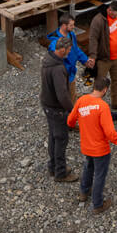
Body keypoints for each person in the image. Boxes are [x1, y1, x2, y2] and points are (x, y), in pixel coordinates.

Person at [67, 76, 117, 213]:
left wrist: (80, 126)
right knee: (99, 175)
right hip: (100, 149)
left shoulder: (81, 101)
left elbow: (70, 120)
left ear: (94, 87)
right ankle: (97, 204)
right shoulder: (102, 107)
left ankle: (84, 192)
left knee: (88, 168)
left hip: (86, 146)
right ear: (105, 90)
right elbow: (110, 133)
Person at [39, 37, 77, 182]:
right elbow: (62, 95)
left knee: (53, 136)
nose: (69, 52)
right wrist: (72, 110)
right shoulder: (58, 69)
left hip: (47, 105)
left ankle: (52, 166)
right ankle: (61, 173)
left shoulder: (48, 59)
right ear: (62, 50)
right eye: (68, 50)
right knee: (61, 138)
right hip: (56, 109)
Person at [88, 2, 117, 112]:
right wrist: (93, 56)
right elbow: (93, 39)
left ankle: (116, 102)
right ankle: (95, 106)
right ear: (109, 10)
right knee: (99, 83)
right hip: (103, 60)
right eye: (115, 15)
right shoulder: (98, 20)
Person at [47, 15, 93, 101]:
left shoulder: (71, 35)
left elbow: (75, 49)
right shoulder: (55, 43)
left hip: (71, 71)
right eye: (71, 25)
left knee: (71, 91)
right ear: (64, 25)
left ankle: (72, 98)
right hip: (63, 74)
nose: (73, 27)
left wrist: (85, 60)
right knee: (64, 98)